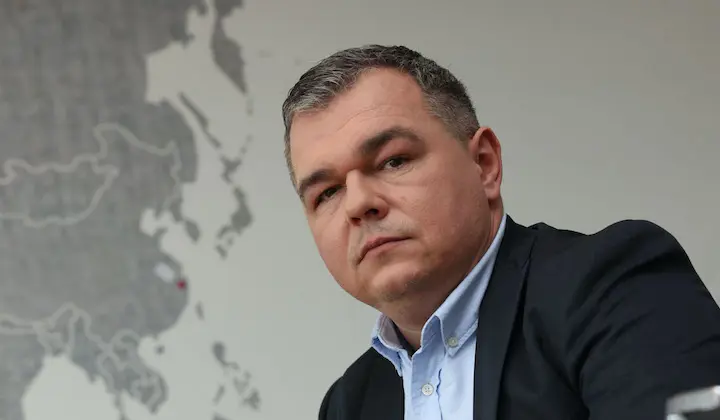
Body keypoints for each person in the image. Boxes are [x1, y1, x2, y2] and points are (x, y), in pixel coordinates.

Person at [280, 44, 720, 420]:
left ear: (484, 164)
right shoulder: (349, 404)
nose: (358, 203)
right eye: (327, 192)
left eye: (393, 161)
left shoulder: (611, 286)